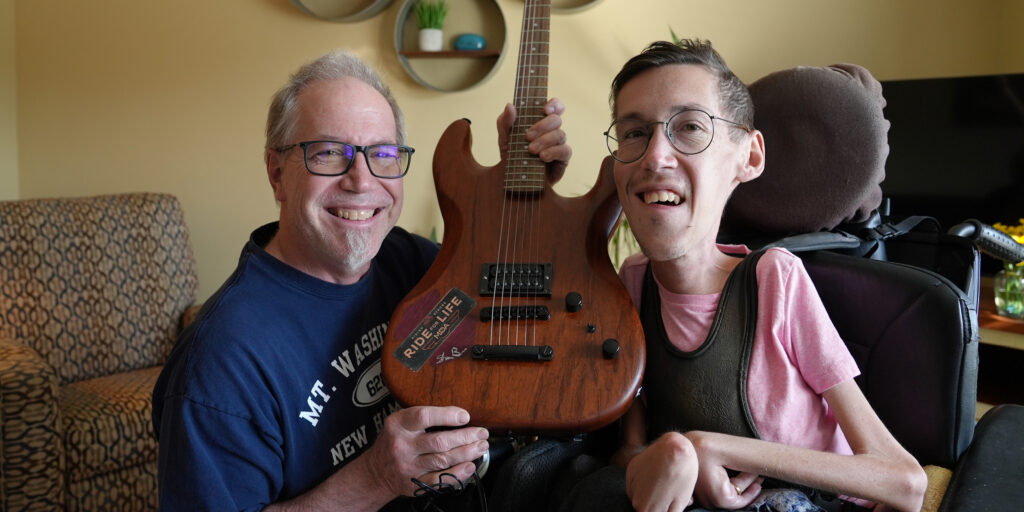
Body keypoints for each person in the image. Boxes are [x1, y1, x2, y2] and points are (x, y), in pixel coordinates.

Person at [151, 49, 571, 511]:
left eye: (383, 154)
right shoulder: (218, 367)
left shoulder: (406, 261)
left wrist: (526, 190)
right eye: (330, 153)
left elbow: (516, 304)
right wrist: (375, 478)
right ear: (277, 174)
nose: (361, 180)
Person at [561, 40, 928, 512]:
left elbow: (904, 481)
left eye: (690, 127)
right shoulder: (632, 282)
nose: (655, 157)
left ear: (749, 157)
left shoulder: (775, 280)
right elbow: (631, 447)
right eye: (634, 133)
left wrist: (709, 447)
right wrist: (661, 462)